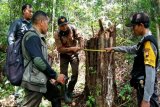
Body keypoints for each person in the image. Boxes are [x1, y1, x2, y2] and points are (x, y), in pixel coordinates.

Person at [105, 12, 159, 107]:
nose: (132, 30)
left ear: (141, 25)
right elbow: (131, 49)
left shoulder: (148, 44)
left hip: (146, 91)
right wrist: (113, 49)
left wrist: (146, 100)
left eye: (134, 26)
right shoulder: (144, 41)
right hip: (142, 88)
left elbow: (150, 74)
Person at [21, 10, 65, 107]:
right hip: (34, 82)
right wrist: (55, 76)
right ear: (41, 22)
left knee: (55, 94)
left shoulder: (37, 37)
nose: (48, 26)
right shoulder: (32, 36)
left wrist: (49, 77)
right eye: (47, 23)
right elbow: (38, 61)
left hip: (40, 79)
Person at [54, 16, 83, 103]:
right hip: (63, 56)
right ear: (59, 26)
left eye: (65, 24)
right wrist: (72, 49)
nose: (64, 27)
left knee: (75, 74)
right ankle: (64, 94)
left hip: (74, 55)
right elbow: (59, 49)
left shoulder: (73, 29)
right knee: (63, 76)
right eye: (62, 25)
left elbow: (80, 37)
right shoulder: (57, 34)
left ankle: (69, 91)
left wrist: (81, 46)